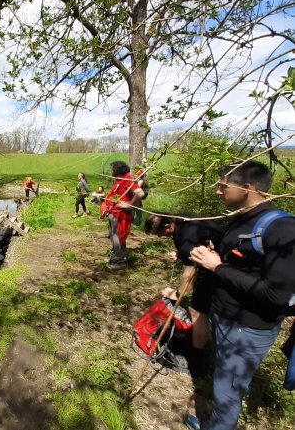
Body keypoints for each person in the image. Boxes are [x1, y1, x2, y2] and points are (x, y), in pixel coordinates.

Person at [185, 161, 295, 430]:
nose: (218, 192)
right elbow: (242, 266)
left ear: (247, 188)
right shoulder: (242, 220)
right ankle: (215, 423)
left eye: (223, 185)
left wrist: (218, 266)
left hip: (247, 329)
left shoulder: (282, 230)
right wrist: (212, 259)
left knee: (228, 393)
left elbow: (275, 295)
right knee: (223, 385)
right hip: (226, 318)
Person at [145, 213, 224, 349]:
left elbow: (189, 275)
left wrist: (177, 294)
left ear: (168, 225)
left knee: (196, 310)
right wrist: (181, 254)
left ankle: (198, 351)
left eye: (160, 233)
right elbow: (199, 240)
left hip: (219, 267)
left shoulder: (188, 238)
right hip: (218, 260)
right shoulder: (182, 219)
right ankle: (207, 338)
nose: (159, 236)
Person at [101, 161, 145, 266]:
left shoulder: (127, 179)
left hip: (120, 214)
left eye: (112, 169)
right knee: (114, 234)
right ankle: (119, 254)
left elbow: (140, 193)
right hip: (113, 212)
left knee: (116, 235)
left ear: (117, 170)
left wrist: (130, 205)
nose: (111, 171)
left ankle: (119, 258)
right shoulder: (120, 180)